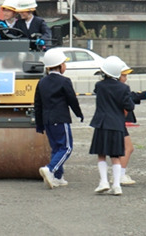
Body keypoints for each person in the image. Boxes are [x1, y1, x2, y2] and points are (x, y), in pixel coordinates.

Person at [34, 48, 84, 189]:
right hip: (60, 119)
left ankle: (58, 177)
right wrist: (78, 113)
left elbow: (37, 104)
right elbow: (72, 100)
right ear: (60, 66)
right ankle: (50, 169)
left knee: (56, 148)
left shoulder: (42, 82)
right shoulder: (64, 81)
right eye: (64, 63)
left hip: (47, 120)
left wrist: (39, 124)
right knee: (66, 147)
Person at [90, 56, 134, 195]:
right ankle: (116, 185)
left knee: (101, 154)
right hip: (117, 124)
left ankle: (103, 182)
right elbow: (129, 106)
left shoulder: (99, 86)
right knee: (115, 155)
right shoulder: (124, 88)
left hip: (101, 123)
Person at [118, 62, 137, 186]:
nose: (126, 78)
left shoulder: (104, 87)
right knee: (128, 148)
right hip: (119, 122)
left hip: (110, 122)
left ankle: (119, 174)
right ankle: (120, 175)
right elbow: (129, 104)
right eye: (124, 75)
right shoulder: (123, 88)